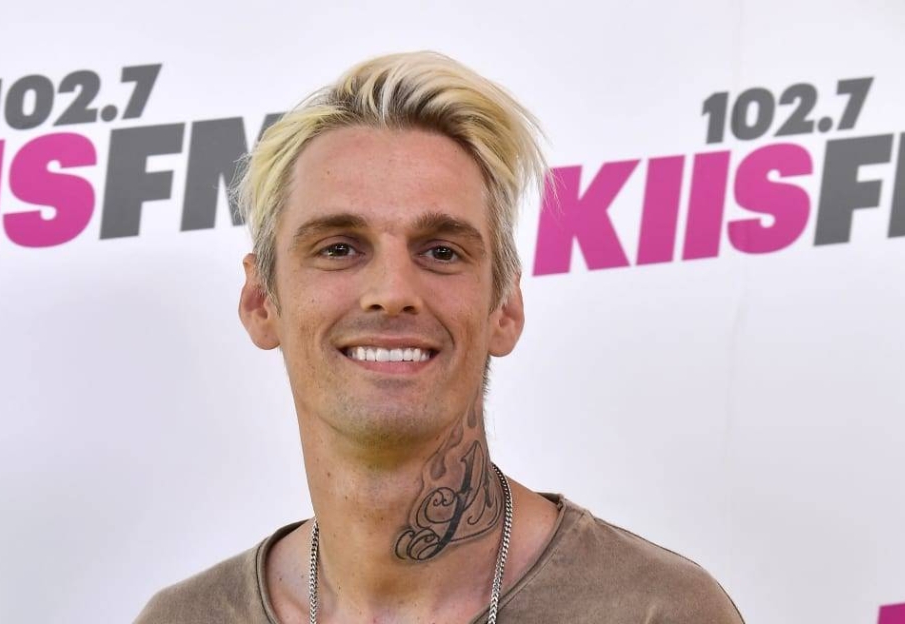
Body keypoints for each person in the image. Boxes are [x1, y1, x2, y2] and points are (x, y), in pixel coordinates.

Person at [134, 51, 744, 624]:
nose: (392, 291)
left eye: (442, 251)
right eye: (339, 248)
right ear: (260, 301)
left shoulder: (655, 610)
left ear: (505, 308)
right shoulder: (184, 618)